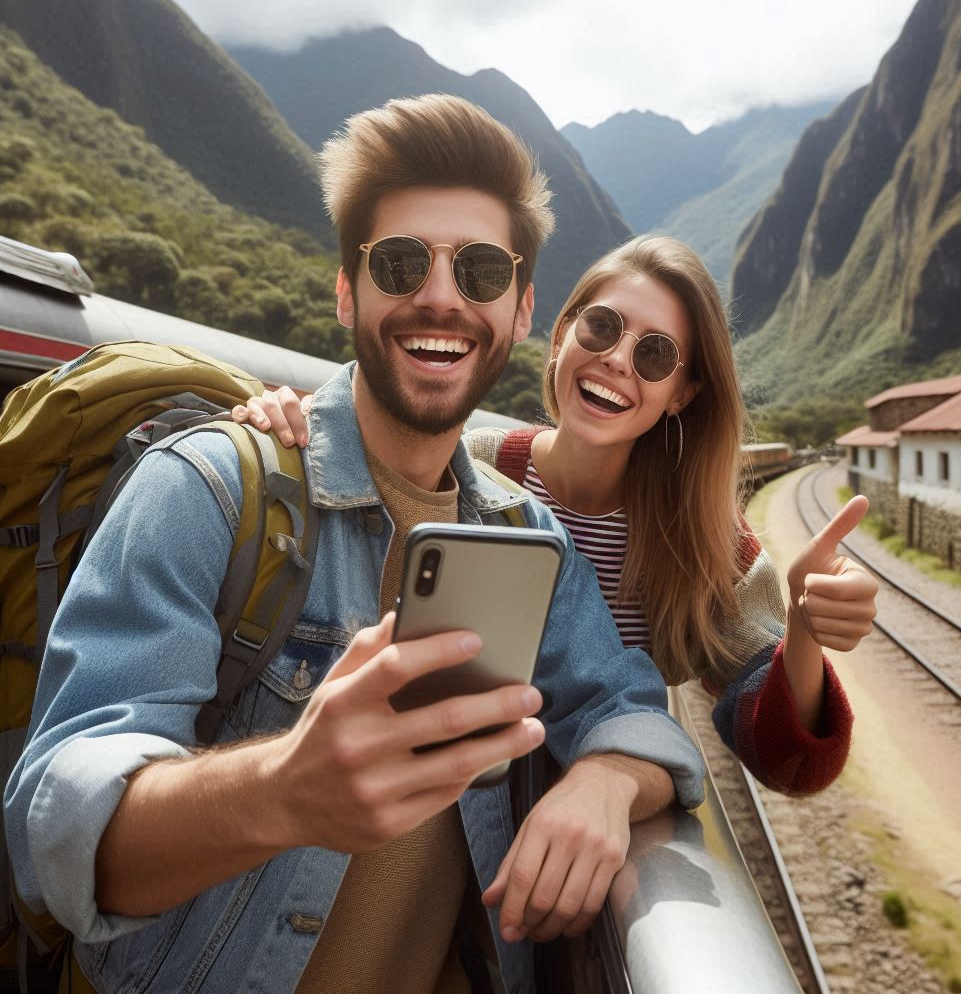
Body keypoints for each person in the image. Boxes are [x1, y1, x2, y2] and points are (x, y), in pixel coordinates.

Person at [3, 96, 707, 994]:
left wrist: (610, 780)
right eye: (403, 262)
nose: (442, 296)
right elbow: (58, 831)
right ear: (348, 290)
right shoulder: (208, 490)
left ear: (523, 308)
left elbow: (630, 706)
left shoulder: (531, 537)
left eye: (482, 271)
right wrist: (283, 791)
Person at [244, 234, 878, 797]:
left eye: (655, 354)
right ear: (561, 338)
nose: (619, 359)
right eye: (602, 327)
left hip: (581, 845)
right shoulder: (467, 470)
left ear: (683, 394)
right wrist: (285, 425)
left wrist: (802, 629)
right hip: (438, 823)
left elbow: (791, 766)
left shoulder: (708, 546)